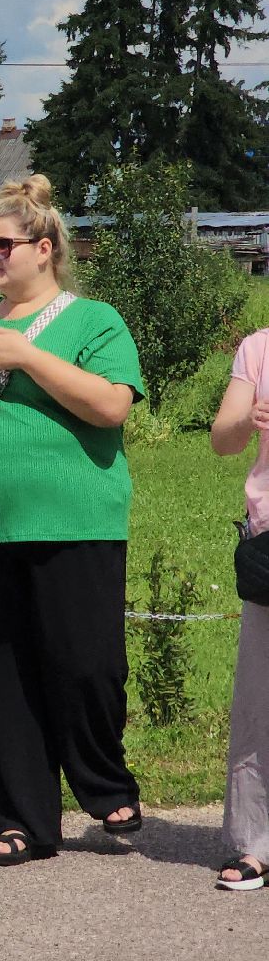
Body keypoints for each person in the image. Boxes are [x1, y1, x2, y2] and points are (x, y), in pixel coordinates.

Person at [0, 173, 144, 866]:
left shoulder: (94, 320)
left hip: (78, 520)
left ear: (44, 248)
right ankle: (23, 821)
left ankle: (102, 779)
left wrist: (26, 357)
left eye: (2, 244)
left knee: (89, 667)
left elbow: (111, 407)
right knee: (7, 679)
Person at [212, 327, 269, 892]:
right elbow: (222, 441)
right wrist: (247, 419)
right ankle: (256, 842)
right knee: (261, 695)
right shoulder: (258, 347)